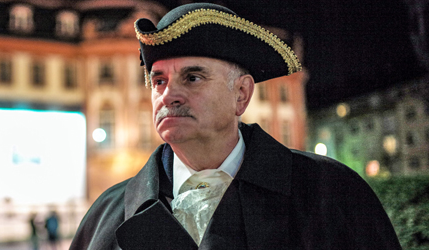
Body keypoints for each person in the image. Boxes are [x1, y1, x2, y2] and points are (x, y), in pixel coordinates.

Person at [70, 3, 401, 250]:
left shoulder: (332, 194)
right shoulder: (107, 213)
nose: (168, 94)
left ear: (241, 94)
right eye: (158, 80)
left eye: (193, 77)